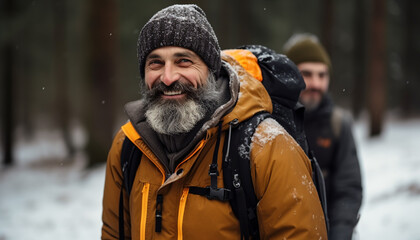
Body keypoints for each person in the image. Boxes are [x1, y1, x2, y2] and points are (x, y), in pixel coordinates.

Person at [101, 5, 327, 240]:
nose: (167, 78)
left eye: (184, 61)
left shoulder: (266, 147)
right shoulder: (128, 146)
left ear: (210, 70)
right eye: (155, 63)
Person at [283, 33, 363, 240]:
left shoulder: (338, 124)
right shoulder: (271, 122)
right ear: (289, 75)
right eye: (307, 74)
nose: (316, 84)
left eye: (322, 75)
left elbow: (348, 189)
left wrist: (340, 233)